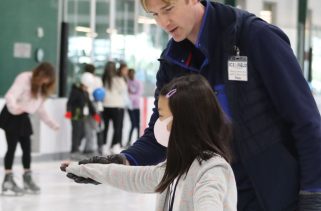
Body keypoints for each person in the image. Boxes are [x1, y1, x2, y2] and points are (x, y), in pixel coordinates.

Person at [64, 0, 321, 210]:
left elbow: (306, 120)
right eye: (155, 14)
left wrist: (312, 193)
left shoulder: (253, 37)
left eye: (168, 9)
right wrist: (122, 161)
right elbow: (162, 133)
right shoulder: (172, 63)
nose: (163, 23)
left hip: (277, 195)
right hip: (220, 193)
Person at [62, 74, 237, 211]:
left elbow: (209, 203)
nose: (157, 124)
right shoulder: (177, 166)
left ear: (185, 121)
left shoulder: (211, 171)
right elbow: (135, 177)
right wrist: (91, 170)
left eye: (161, 115)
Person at [0, 62, 59, 196]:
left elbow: (40, 109)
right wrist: (15, 108)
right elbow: (10, 95)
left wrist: (52, 124)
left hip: (23, 116)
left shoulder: (42, 89)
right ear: (40, 73)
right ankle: (7, 181)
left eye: (48, 79)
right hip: (12, 115)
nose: (45, 81)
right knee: (12, 147)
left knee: (27, 148)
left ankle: (27, 178)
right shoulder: (25, 78)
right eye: (45, 77)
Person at [65, 72, 100, 158]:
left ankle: (77, 148)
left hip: (83, 115)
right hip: (76, 114)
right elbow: (69, 102)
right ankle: (74, 150)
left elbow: (90, 105)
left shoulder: (86, 92)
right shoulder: (75, 91)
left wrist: (96, 116)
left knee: (83, 132)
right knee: (76, 132)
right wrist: (68, 112)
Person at [101, 61, 128, 154]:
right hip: (117, 106)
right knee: (118, 127)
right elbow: (123, 89)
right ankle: (115, 146)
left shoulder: (103, 78)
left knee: (105, 128)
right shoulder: (118, 79)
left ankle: (104, 147)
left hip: (105, 106)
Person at [126, 68, 143, 147]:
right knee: (133, 123)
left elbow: (138, 94)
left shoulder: (138, 83)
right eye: (130, 74)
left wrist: (131, 96)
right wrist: (131, 96)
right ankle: (129, 141)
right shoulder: (126, 82)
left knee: (138, 124)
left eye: (132, 73)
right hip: (129, 107)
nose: (131, 75)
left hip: (136, 106)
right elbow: (126, 95)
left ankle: (138, 139)